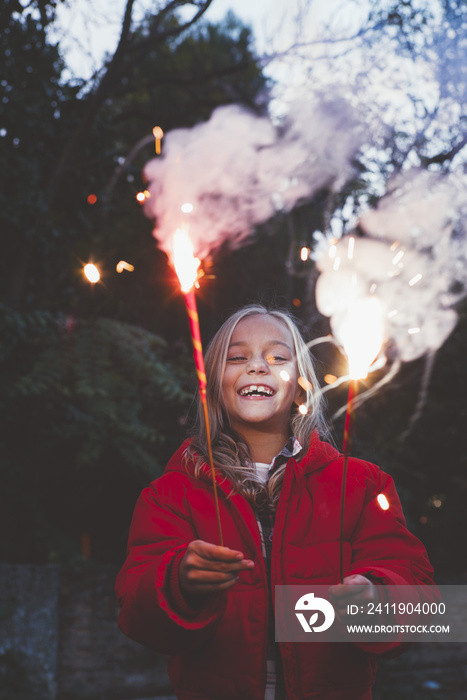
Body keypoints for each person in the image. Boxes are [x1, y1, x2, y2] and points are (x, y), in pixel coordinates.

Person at [115, 304, 436, 700]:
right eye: (237, 357)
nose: (257, 367)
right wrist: (178, 581)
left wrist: (375, 600)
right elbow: (134, 615)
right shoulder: (169, 495)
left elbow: (422, 605)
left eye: (277, 357)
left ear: (301, 382)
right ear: (213, 382)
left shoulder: (365, 486)